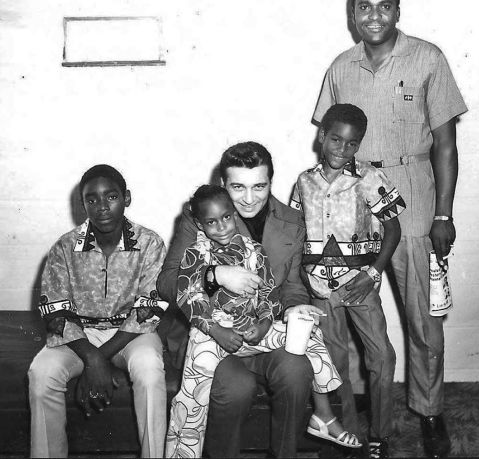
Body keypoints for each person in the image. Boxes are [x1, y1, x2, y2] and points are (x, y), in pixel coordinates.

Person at [311, 0, 468, 458]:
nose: (373, 15)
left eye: (384, 6)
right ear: (352, 13)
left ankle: (430, 411)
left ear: (398, 10)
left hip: (415, 197)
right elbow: (330, 144)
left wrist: (443, 213)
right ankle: (353, 413)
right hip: (353, 204)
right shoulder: (340, 67)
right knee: (351, 312)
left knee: (423, 319)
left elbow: (445, 142)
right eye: (364, 6)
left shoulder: (428, 58)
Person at [165, 185, 359, 458]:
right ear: (200, 224)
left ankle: (323, 415)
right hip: (210, 332)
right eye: (211, 222)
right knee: (192, 394)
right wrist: (216, 330)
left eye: (226, 217)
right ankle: (182, 453)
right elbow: (188, 297)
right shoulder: (195, 254)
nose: (221, 227)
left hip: (251, 328)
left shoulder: (254, 250)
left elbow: (269, 292)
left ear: (234, 214)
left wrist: (266, 323)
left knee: (308, 332)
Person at [157, 142, 324, 458]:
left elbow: (291, 286)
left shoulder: (292, 220)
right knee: (237, 388)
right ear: (223, 184)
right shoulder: (201, 216)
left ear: (271, 182)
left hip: (263, 330)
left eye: (259, 186)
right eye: (238, 187)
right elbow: (166, 284)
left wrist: (294, 308)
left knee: (296, 369)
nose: (249, 198)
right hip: (209, 335)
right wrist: (215, 274)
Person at [28, 164, 169, 458]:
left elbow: (149, 309)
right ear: (83, 205)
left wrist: (97, 362)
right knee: (41, 374)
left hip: (131, 335)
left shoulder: (150, 243)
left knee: (150, 370)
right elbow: (55, 313)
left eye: (112, 197)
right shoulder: (64, 248)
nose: (102, 207)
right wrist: (91, 356)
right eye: (92, 199)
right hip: (79, 336)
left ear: (127, 198)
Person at [292, 103, 406, 458]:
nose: (343, 149)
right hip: (320, 290)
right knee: (333, 362)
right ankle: (349, 433)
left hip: (359, 285)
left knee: (382, 357)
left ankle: (380, 433)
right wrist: (301, 278)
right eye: (336, 140)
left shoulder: (370, 178)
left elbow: (393, 228)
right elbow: (297, 234)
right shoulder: (304, 181)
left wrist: (372, 273)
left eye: (352, 143)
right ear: (322, 136)